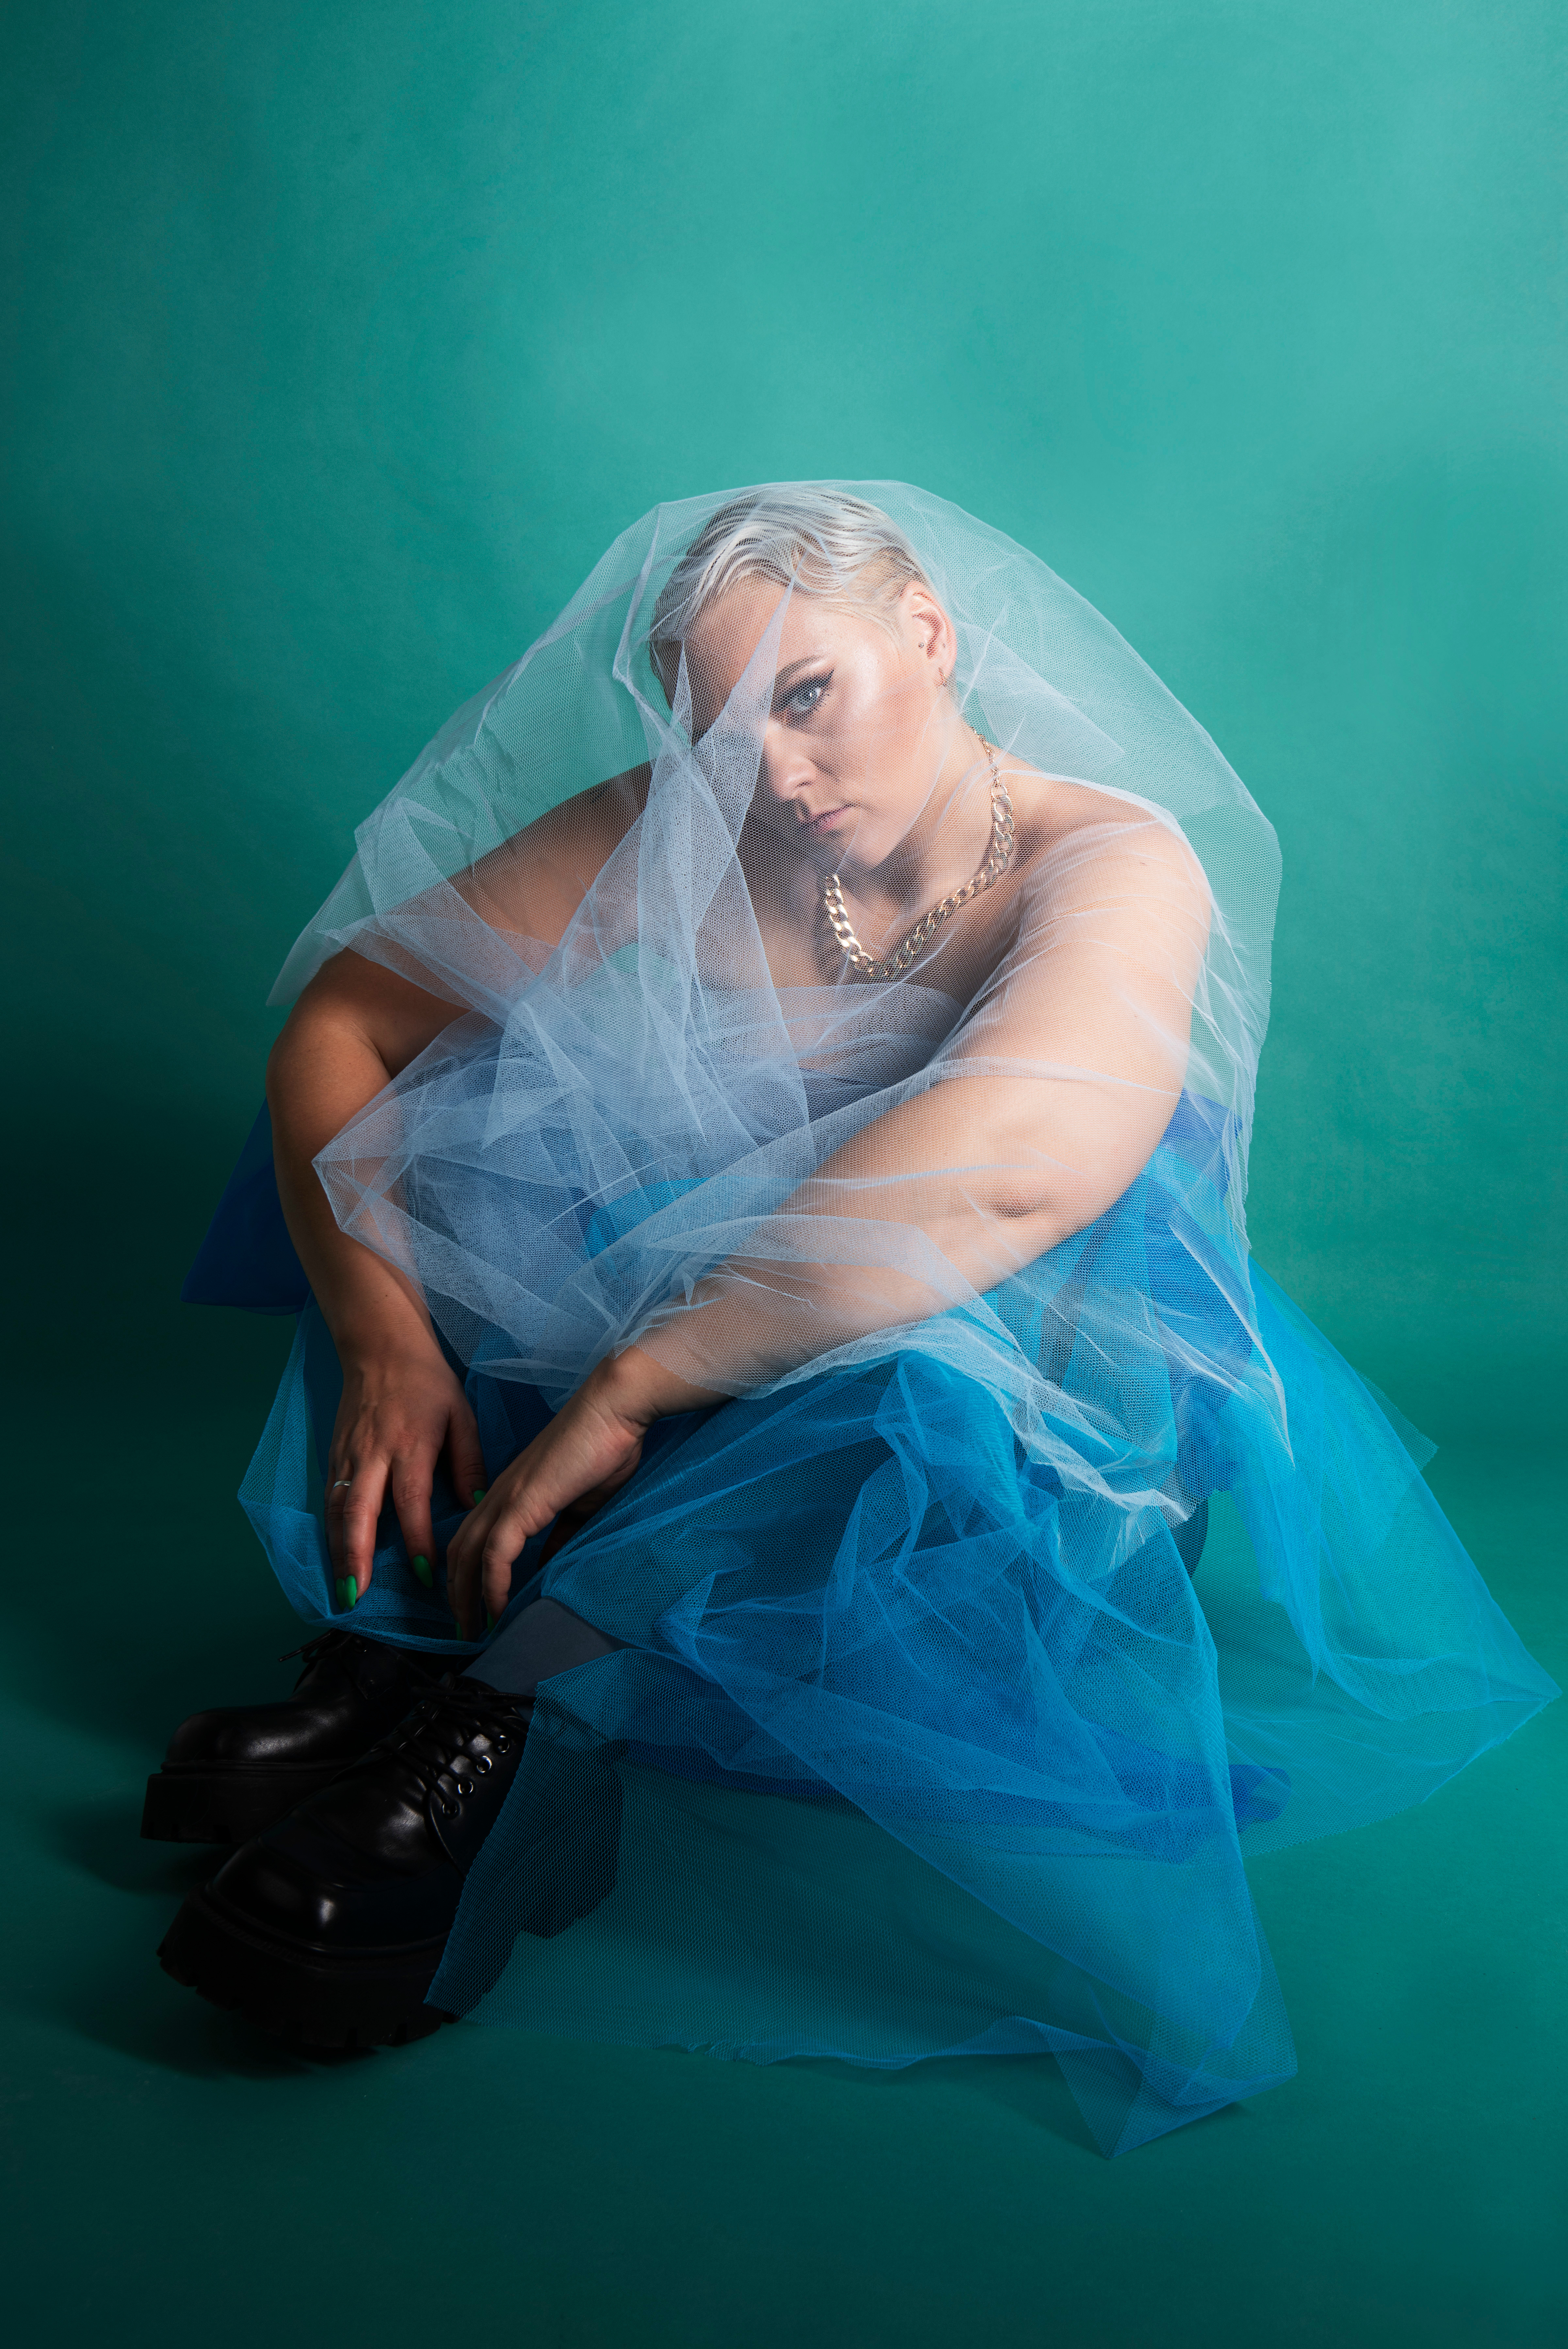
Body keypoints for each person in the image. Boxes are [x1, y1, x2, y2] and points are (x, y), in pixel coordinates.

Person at [149, 484, 1556, 2155]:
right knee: (460, 1121)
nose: (772, 774)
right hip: (719, 1314)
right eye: (715, 730)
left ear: (928, 632)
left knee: (918, 1338)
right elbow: (345, 1022)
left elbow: (1013, 1173)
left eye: (805, 695)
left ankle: (510, 1718)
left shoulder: (1105, 856)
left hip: (1016, 1401)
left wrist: (648, 1368)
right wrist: (383, 1326)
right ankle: (411, 1622)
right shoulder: (696, 823)